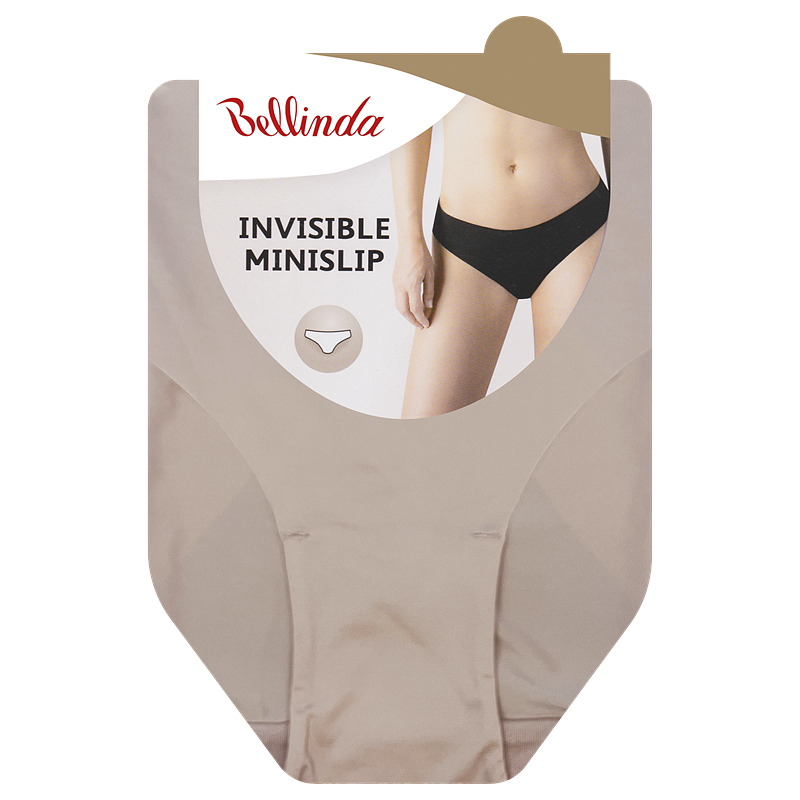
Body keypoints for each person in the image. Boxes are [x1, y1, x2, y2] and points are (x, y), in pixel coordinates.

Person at [391, 95, 611, 419]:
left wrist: (630, 226)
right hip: (464, 246)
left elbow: (612, 99)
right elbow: (408, 112)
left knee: (575, 429)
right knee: (423, 437)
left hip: (577, 228)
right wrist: (410, 241)